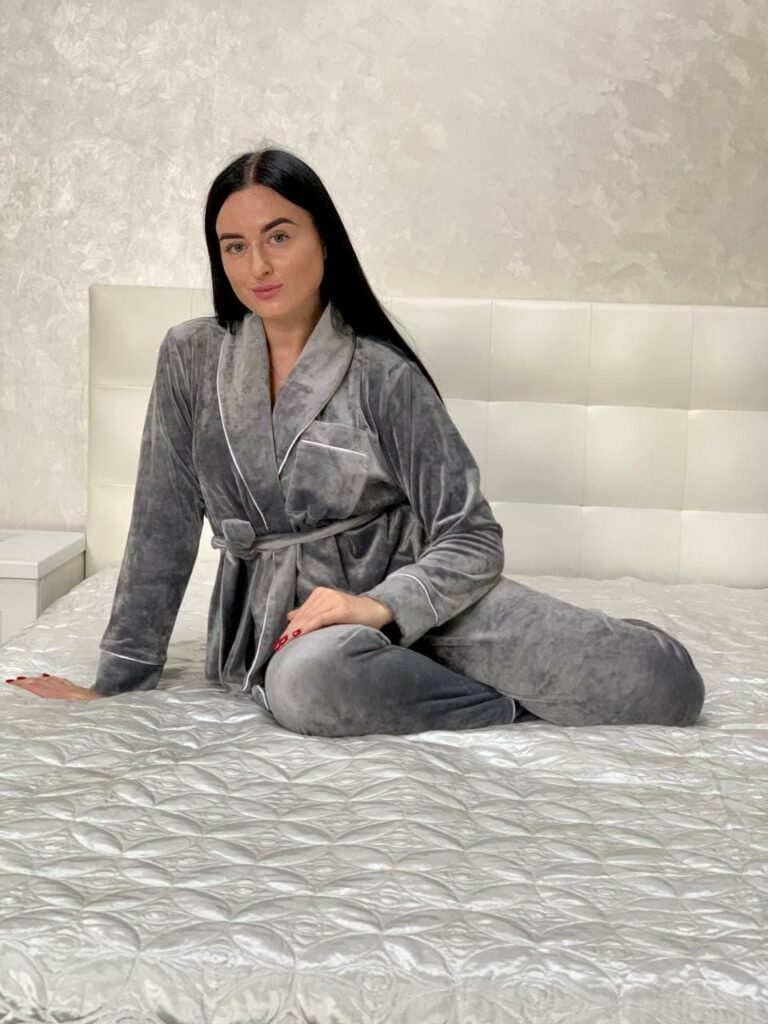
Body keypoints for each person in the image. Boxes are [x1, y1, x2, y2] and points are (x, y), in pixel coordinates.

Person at [7, 148, 706, 734]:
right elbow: (160, 528)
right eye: (235, 246)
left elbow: (471, 536)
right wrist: (117, 685)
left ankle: (422, 660)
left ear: (324, 241)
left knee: (660, 685)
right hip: (294, 633)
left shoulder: (382, 374)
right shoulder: (191, 357)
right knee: (305, 685)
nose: (258, 266)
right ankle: (491, 703)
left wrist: (383, 606)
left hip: (413, 592)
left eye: (279, 237)